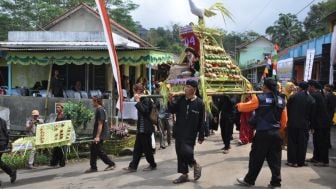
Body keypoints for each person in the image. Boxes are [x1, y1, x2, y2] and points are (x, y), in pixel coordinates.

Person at [236, 78, 287, 188]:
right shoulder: (281, 100)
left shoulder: (260, 98)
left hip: (263, 135)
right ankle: (276, 182)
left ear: (265, 87)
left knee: (256, 159)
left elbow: (245, 107)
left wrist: (238, 105)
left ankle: (249, 180)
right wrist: (279, 130)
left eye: (263, 85)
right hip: (276, 134)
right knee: (275, 160)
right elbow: (284, 121)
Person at [168, 79, 204, 184]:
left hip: (190, 133)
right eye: (186, 86)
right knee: (180, 153)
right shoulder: (181, 100)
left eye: (188, 87)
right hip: (179, 130)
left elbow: (202, 120)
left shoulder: (200, 103)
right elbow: (172, 110)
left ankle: (194, 164)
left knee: (185, 150)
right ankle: (184, 175)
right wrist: (170, 100)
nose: (186, 88)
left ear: (194, 89)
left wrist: (201, 135)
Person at [123, 83, 157, 172]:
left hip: (146, 129)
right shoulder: (143, 99)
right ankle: (133, 166)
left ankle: (152, 164)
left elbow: (145, 111)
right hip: (141, 129)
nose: (134, 93)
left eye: (134, 91)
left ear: (138, 91)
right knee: (137, 149)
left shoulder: (146, 99)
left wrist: (138, 101)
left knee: (147, 149)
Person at [286, 82, 315, 167]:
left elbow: (288, 109)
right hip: (304, 125)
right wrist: (312, 126)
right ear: (307, 88)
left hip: (292, 124)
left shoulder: (293, 97)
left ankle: (292, 161)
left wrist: (290, 119)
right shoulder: (311, 99)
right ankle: (300, 162)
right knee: (302, 143)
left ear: (300, 88)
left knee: (292, 143)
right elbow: (312, 114)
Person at [84, 96, 116, 173]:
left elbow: (100, 124)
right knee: (93, 149)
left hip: (100, 134)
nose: (92, 103)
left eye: (93, 101)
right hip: (100, 133)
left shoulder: (100, 110)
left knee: (98, 150)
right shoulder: (101, 109)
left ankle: (111, 164)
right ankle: (93, 167)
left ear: (96, 101)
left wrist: (98, 136)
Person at [307, 80, 331, 167]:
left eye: (309, 86)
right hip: (321, 123)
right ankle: (316, 158)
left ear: (313, 87)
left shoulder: (314, 95)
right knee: (316, 141)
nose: (308, 88)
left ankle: (324, 161)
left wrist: (311, 125)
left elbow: (313, 112)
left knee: (322, 142)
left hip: (321, 123)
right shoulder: (319, 94)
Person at [0, 117, 16, 184]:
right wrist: (6, 144)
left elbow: (6, 133)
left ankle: (11, 172)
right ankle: (11, 172)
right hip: (2, 143)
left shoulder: (2, 121)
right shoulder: (2, 121)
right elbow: (6, 133)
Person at [50, 104, 67, 168]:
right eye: (56, 107)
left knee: (61, 148)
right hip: (56, 134)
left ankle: (62, 162)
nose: (57, 108)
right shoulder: (56, 116)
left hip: (62, 134)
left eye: (58, 107)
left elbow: (65, 124)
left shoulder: (64, 116)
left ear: (62, 108)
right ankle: (54, 162)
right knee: (56, 148)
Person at [323, 84, 336, 149]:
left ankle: (327, 144)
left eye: (325, 87)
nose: (324, 88)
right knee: (327, 130)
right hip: (330, 114)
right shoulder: (333, 95)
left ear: (328, 88)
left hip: (327, 115)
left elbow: (326, 106)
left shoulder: (328, 95)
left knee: (326, 130)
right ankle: (327, 144)